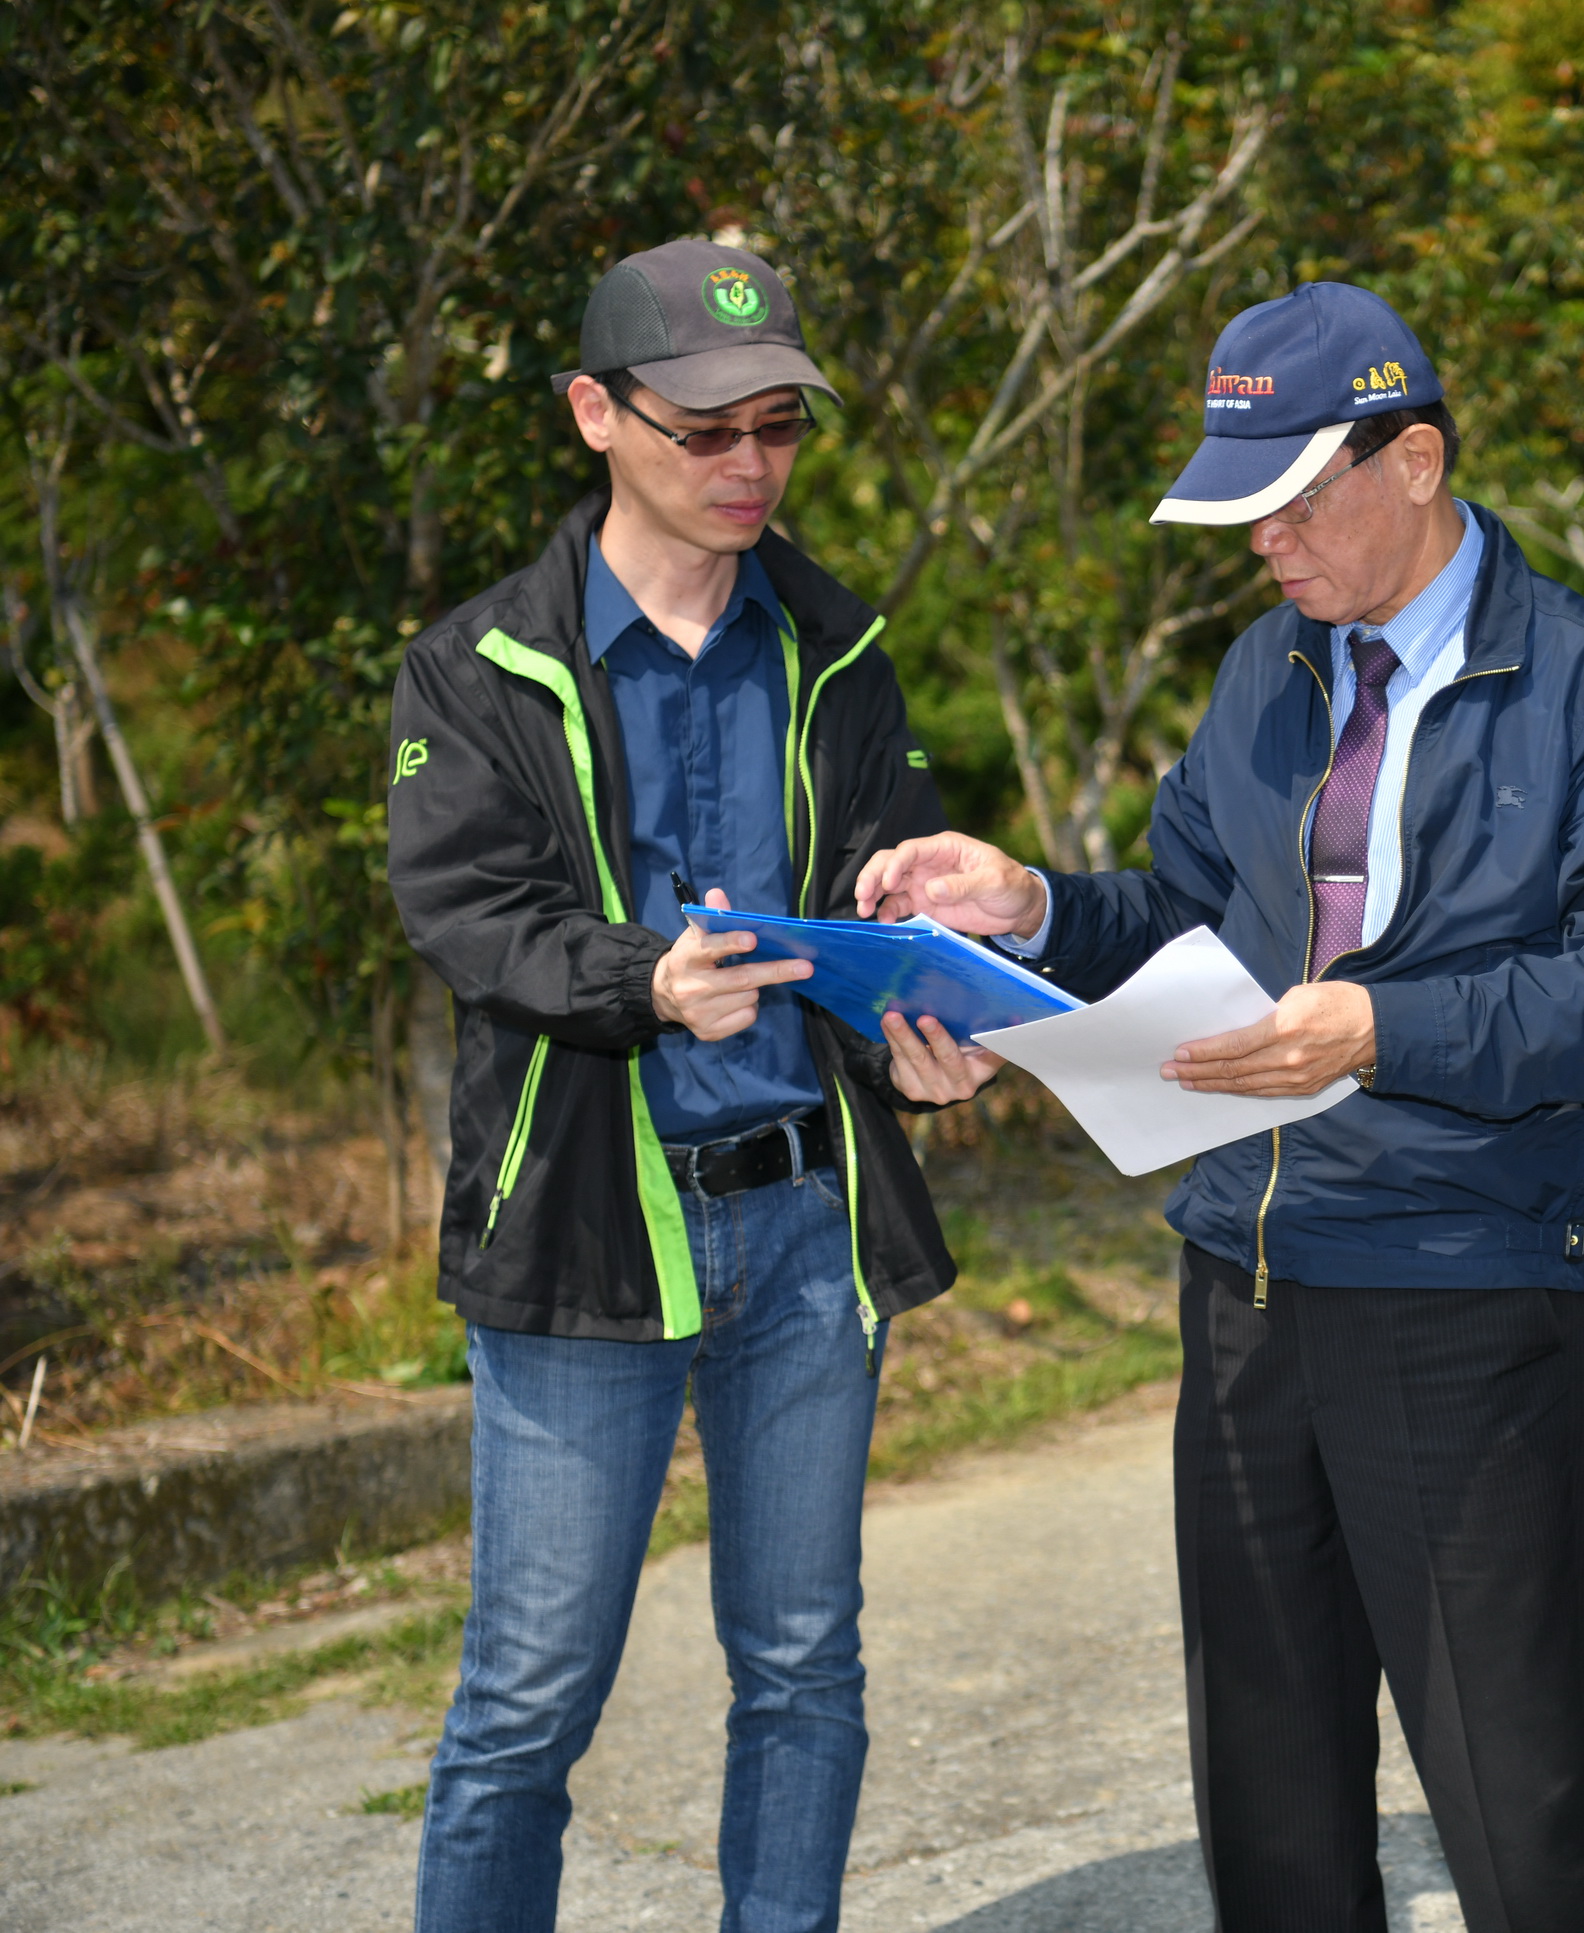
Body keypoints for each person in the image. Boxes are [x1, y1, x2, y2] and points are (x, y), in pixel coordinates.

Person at [854, 280, 1584, 1931]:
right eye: (1236, 502)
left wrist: (1378, 1031)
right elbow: (1184, 916)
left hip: (1461, 1293)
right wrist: (1031, 902)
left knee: (1521, 1816)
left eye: (1289, 496)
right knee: (1271, 1820)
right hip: (1242, 1296)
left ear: (1415, 460)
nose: (1260, 542)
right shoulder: (1268, 667)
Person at [386, 239, 990, 1933]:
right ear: (595, 412)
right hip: (592, 1230)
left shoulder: (834, 642)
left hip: (809, 1224)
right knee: (526, 1699)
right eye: (704, 429)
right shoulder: (475, 665)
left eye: (779, 428)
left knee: (803, 1663)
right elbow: (470, 913)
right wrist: (637, 980)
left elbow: (879, 879)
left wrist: (921, 1027)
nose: (748, 468)